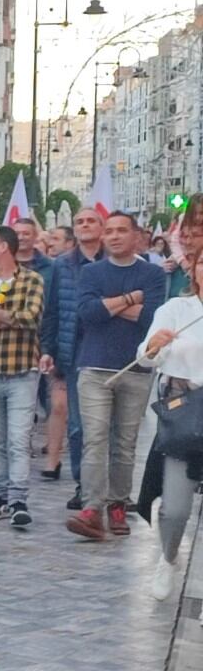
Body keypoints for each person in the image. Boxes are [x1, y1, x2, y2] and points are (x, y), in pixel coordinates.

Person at [66, 212, 167, 540]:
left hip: (136, 368)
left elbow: (150, 317)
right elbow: (89, 314)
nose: (114, 236)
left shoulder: (151, 273)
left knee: (124, 444)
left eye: (122, 230)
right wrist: (130, 299)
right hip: (94, 367)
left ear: (137, 236)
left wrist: (112, 306)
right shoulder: (92, 272)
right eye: (108, 231)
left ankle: (118, 503)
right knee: (94, 439)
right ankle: (92, 506)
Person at [139, 251, 203, 605]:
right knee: (175, 509)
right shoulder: (175, 310)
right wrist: (154, 345)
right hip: (185, 411)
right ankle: (168, 557)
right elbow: (147, 358)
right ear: (193, 269)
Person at [0, 226, 45, 528]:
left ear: (3, 247)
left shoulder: (32, 280)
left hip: (22, 373)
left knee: (18, 439)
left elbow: (33, 318)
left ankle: (18, 499)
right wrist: (6, 317)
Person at [41, 208, 104, 509]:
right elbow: (51, 309)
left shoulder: (115, 261)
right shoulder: (61, 265)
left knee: (111, 428)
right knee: (79, 426)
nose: (85, 225)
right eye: (79, 221)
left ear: (102, 227)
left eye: (91, 220)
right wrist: (48, 349)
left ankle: (112, 489)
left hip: (109, 350)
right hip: (74, 352)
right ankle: (83, 484)